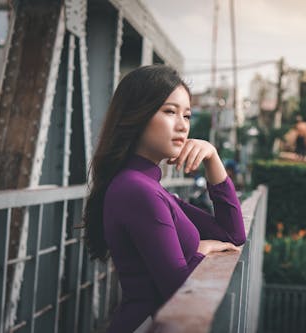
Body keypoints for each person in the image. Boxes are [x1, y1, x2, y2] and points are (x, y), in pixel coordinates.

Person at [79, 64, 246, 333]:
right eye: (170, 112)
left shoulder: (149, 187)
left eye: (187, 115)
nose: (182, 126)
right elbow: (180, 288)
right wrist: (200, 249)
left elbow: (232, 235)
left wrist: (212, 158)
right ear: (137, 115)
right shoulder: (138, 190)